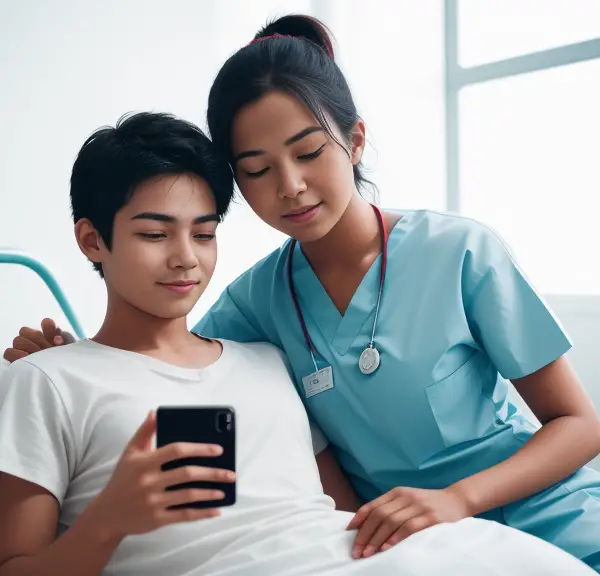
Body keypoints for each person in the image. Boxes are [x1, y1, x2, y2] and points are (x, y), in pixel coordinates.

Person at [4, 14, 600, 572]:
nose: (290, 187)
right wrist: (64, 362)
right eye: (257, 171)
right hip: (395, 539)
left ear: (356, 140)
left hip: (543, 510)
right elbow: (160, 361)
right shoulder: (255, 305)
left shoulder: (458, 251)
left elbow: (579, 422)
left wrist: (456, 500)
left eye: (310, 152)